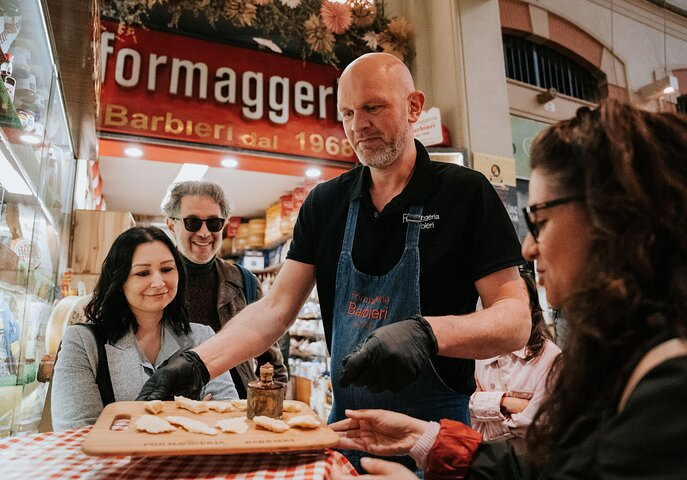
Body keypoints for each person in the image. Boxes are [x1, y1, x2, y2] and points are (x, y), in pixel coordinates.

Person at [138, 52, 530, 467]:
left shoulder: (464, 194)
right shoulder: (325, 204)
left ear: (414, 106)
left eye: (373, 108)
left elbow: (515, 319)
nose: (358, 126)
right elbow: (274, 309)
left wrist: (428, 333)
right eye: (346, 113)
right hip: (346, 430)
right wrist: (199, 364)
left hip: (435, 438)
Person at [328, 100, 687, 479]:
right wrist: (425, 438)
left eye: (541, 221)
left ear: (616, 220)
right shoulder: (620, 356)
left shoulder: (683, 387)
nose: (529, 248)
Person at [51, 226, 237, 430]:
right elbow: (77, 434)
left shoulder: (202, 337)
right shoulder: (81, 342)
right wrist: (187, 417)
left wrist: (119, 423)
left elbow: (226, 419)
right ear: (119, 280)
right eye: (143, 273)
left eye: (167, 269)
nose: (158, 282)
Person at [162, 180, 287, 397]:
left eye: (213, 223)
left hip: (239, 411)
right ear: (172, 225)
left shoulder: (244, 282)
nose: (204, 233)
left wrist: (268, 407)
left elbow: (271, 361)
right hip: (176, 411)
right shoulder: (154, 282)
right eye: (192, 222)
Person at [470, 269, 560, 452]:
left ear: (532, 307)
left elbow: (541, 422)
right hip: (484, 465)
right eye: (499, 299)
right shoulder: (478, 354)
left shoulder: (551, 357)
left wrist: (487, 412)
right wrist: (504, 403)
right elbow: (466, 405)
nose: (506, 307)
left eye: (516, 297)